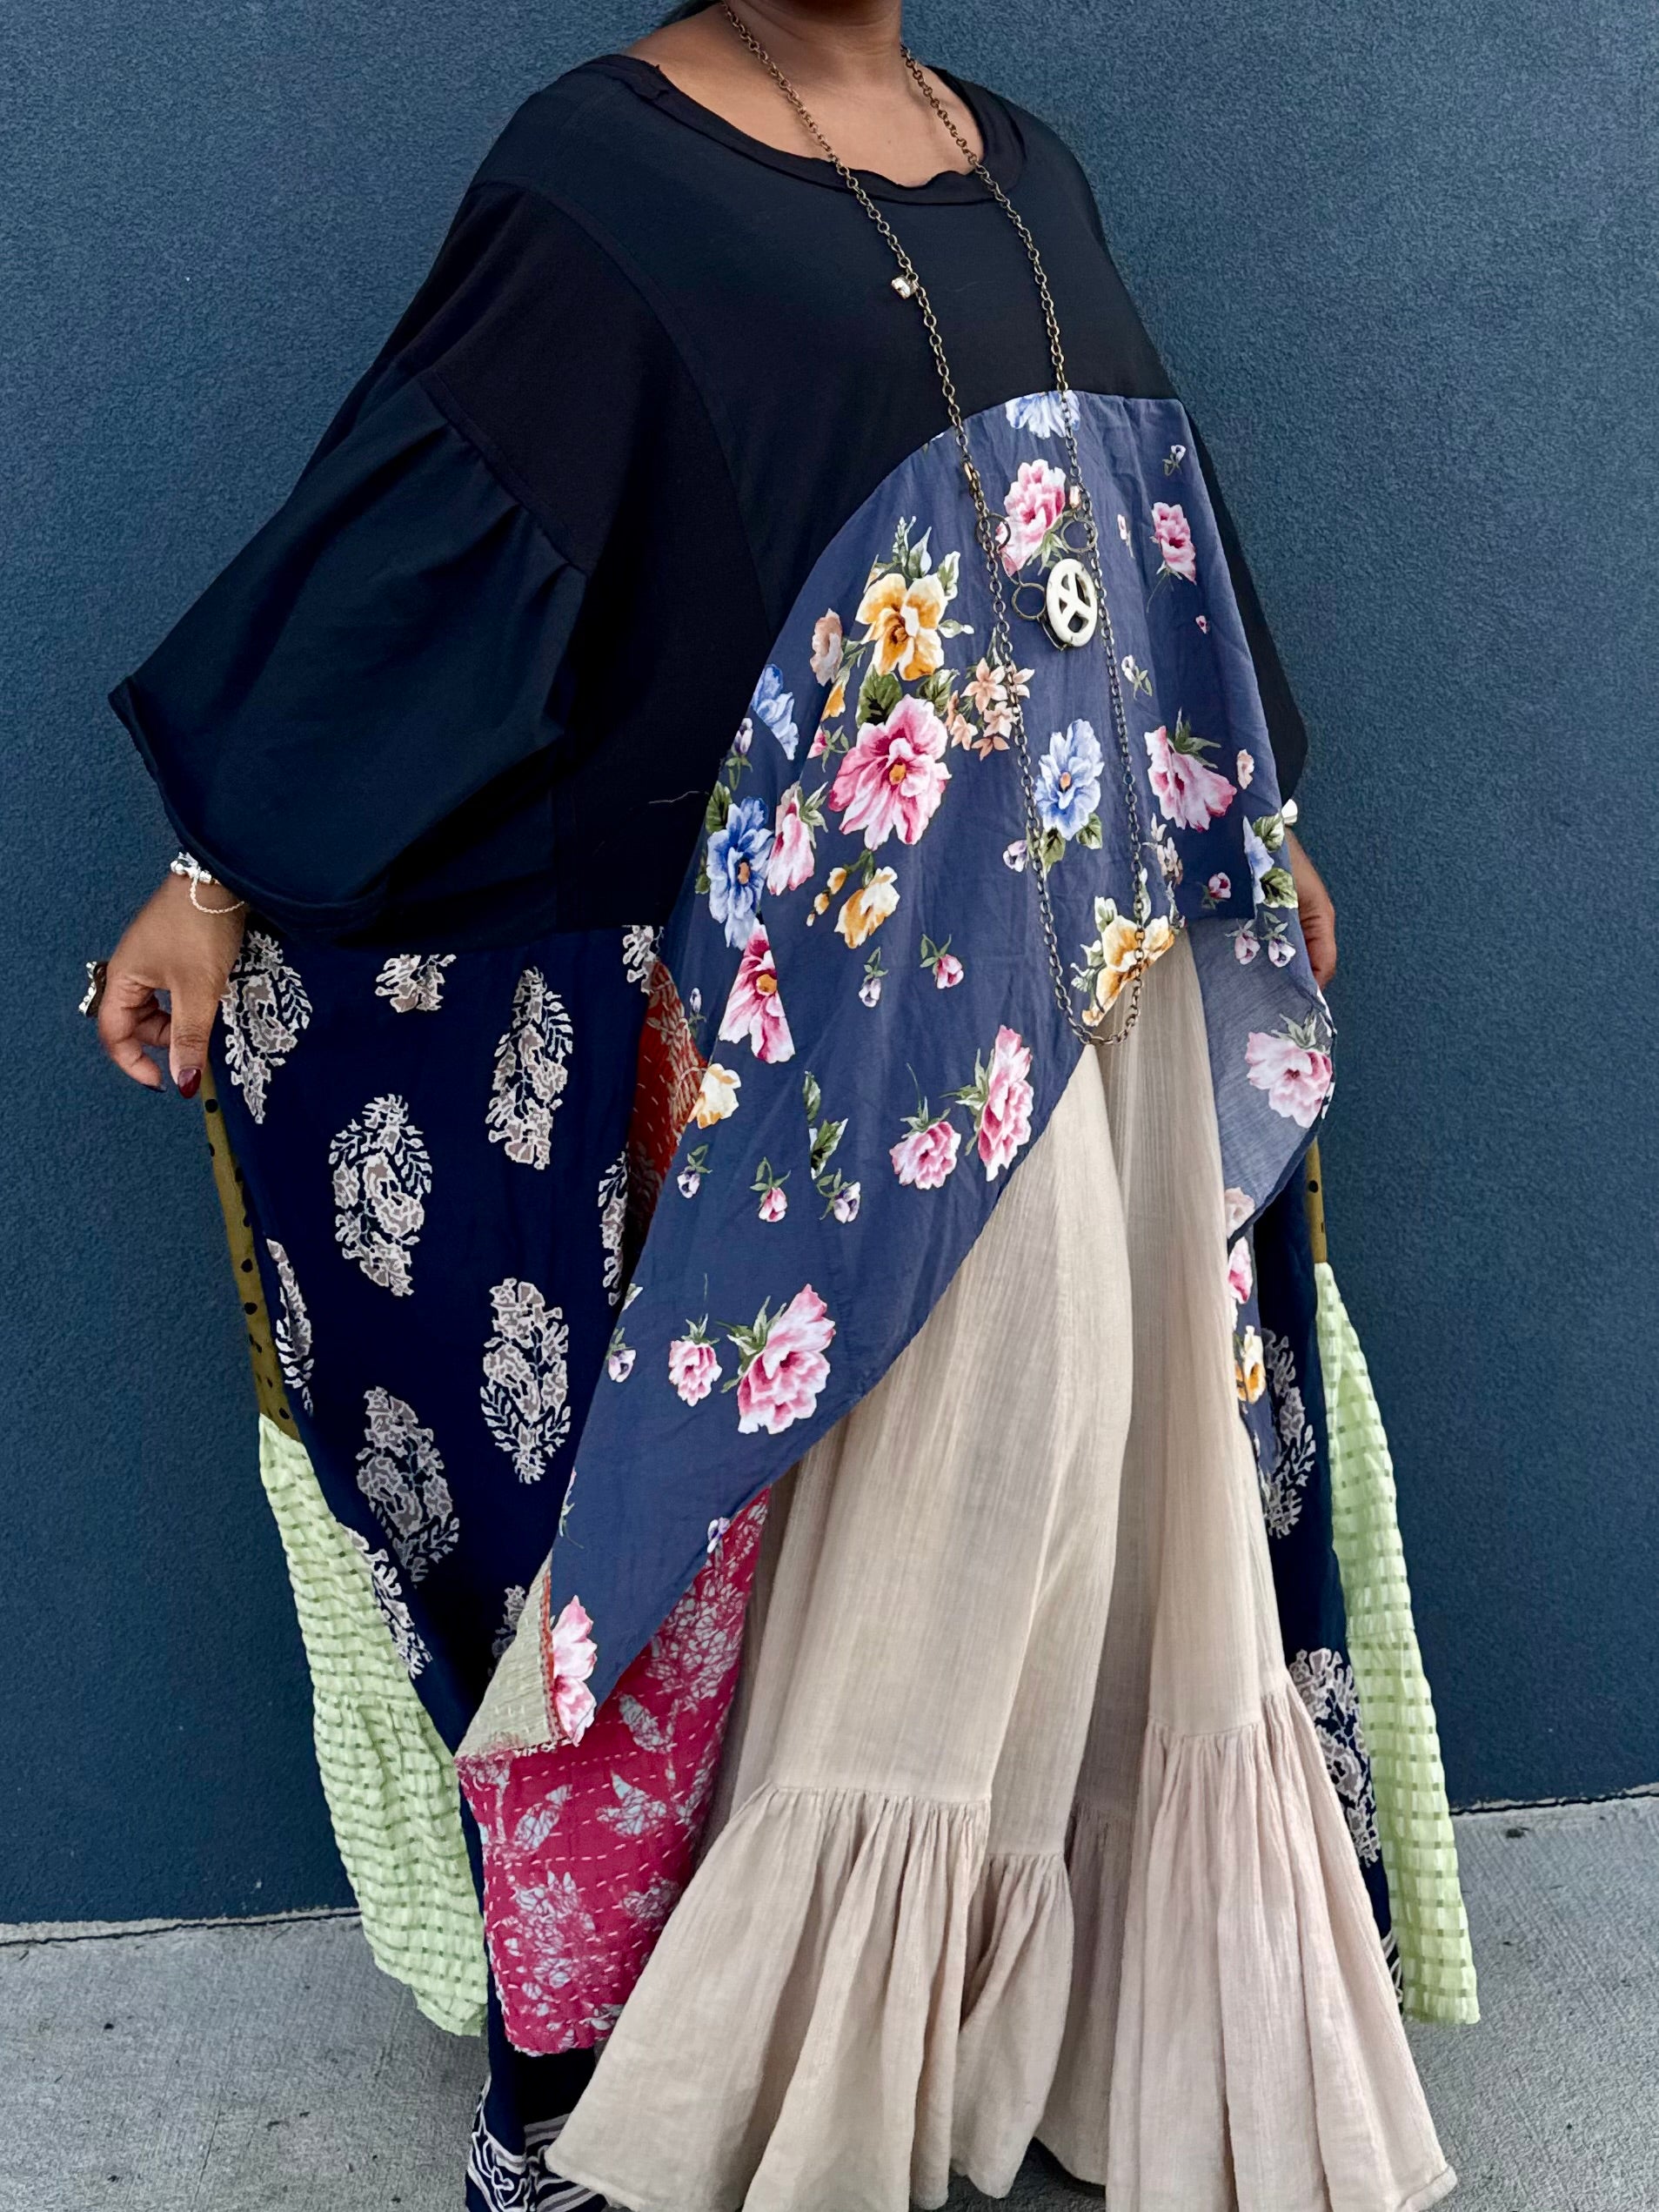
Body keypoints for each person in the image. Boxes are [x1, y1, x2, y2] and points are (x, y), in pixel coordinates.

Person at [95, 4, 1450, 2208]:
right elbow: (431, 539)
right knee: (948, 1483)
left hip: (1100, 967)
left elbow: (1145, 539)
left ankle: (1073, 2012)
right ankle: (733, 2070)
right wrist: (215, 871)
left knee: (1105, 1483)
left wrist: (1249, 815)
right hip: (858, 1028)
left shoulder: (1023, 162)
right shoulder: (605, 174)